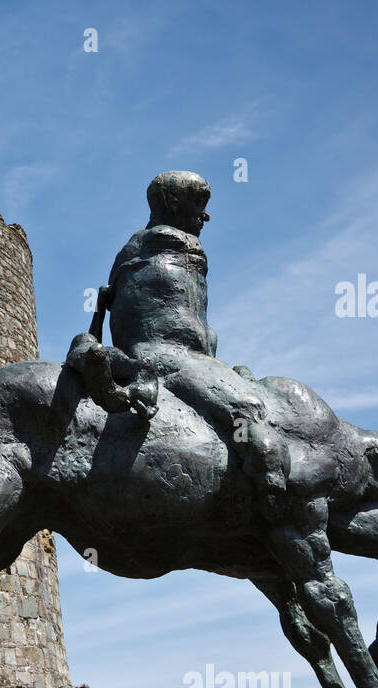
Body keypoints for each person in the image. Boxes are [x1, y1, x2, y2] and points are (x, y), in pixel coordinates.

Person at [66, 170, 290, 501]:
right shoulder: (182, 244)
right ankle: (271, 480)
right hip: (180, 358)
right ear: (172, 201)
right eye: (200, 203)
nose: (206, 214)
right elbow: (189, 330)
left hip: (138, 351)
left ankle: (113, 368)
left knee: (95, 348)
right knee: (247, 408)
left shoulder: (130, 249)